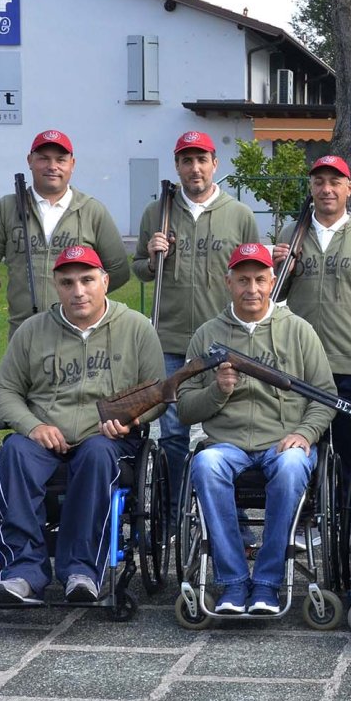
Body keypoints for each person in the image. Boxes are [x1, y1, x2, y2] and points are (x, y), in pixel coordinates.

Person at [0, 245, 163, 605]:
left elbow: (158, 393)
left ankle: (81, 570)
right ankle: (22, 571)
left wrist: (130, 420)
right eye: (67, 283)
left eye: (87, 280)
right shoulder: (33, 330)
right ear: (56, 286)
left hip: (107, 439)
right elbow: (2, 391)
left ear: (105, 281)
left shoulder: (136, 328)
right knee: (14, 451)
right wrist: (33, 426)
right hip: (44, 438)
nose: (78, 291)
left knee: (98, 454)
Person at [176, 243, 335, 615]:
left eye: (260, 280)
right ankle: (232, 581)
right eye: (243, 280)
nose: (252, 289)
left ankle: (267, 581)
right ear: (228, 282)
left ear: (272, 281)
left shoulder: (299, 331)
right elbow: (184, 408)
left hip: (283, 442)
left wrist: (306, 433)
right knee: (205, 465)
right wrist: (218, 390)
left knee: (293, 466)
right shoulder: (206, 335)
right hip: (226, 443)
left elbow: (324, 396)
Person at [131, 131, 259, 484]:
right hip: (170, 339)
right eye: (187, 161)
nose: (195, 168)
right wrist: (153, 259)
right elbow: (138, 268)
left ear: (215, 164)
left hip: (223, 340)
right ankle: (174, 507)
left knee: (228, 430)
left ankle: (226, 508)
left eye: (202, 160)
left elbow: (253, 275)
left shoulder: (239, 215)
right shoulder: (157, 213)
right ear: (177, 166)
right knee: (172, 432)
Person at [274, 155, 351, 464]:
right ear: (311, 187)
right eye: (319, 182)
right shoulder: (291, 234)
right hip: (299, 362)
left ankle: (350, 497)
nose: (326, 189)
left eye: (335, 182)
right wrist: (281, 269)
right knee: (300, 448)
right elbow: (277, 296)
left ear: (349, 187)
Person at [0, 129, 131, 338]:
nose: (52, 166)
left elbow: (119, 269)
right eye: (44, 158)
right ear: (30, 160)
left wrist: (86, 298)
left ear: (72, 164)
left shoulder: (91, 211)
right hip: (24, 330)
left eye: (60, 160)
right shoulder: (7, 207)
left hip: (77, 331)